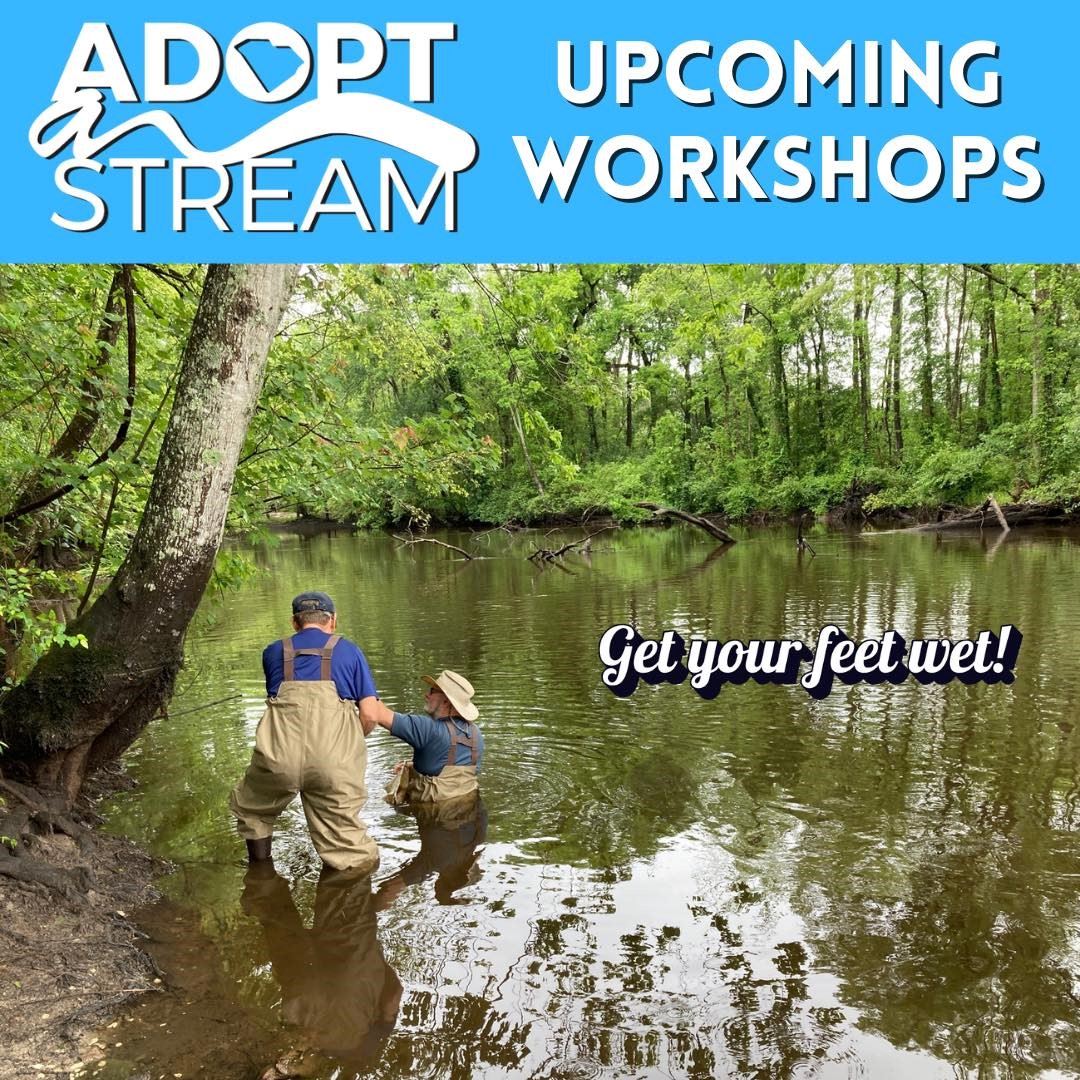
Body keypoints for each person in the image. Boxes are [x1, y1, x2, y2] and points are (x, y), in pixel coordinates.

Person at [229, 591, 380, 871]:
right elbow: (370, 714)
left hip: (278, 756)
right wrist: (347, 744)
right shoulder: (351, 651)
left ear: (295, 623)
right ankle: (350, 897)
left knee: (253, 809)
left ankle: (261, 875)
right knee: (345, 838)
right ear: (332, 621)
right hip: (333, 759)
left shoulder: (273, 652)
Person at [241, 864, 401, 1078]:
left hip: (350, 972)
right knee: (276, 919)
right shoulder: (356, 1050)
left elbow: (393, 996)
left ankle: (264, 855)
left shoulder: (365, 1048)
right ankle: (260, 867)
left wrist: (376, 963)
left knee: (346, 884)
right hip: (302, 996)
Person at [363, 669, 484, 804]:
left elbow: (377, 713)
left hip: (434, 817)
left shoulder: (426, 728)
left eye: (432, 691)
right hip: (470, 810)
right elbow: (449, 764)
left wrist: (361, 680)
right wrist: (410, 766)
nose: (426, 695)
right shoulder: (475, 734)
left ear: (446, 701)